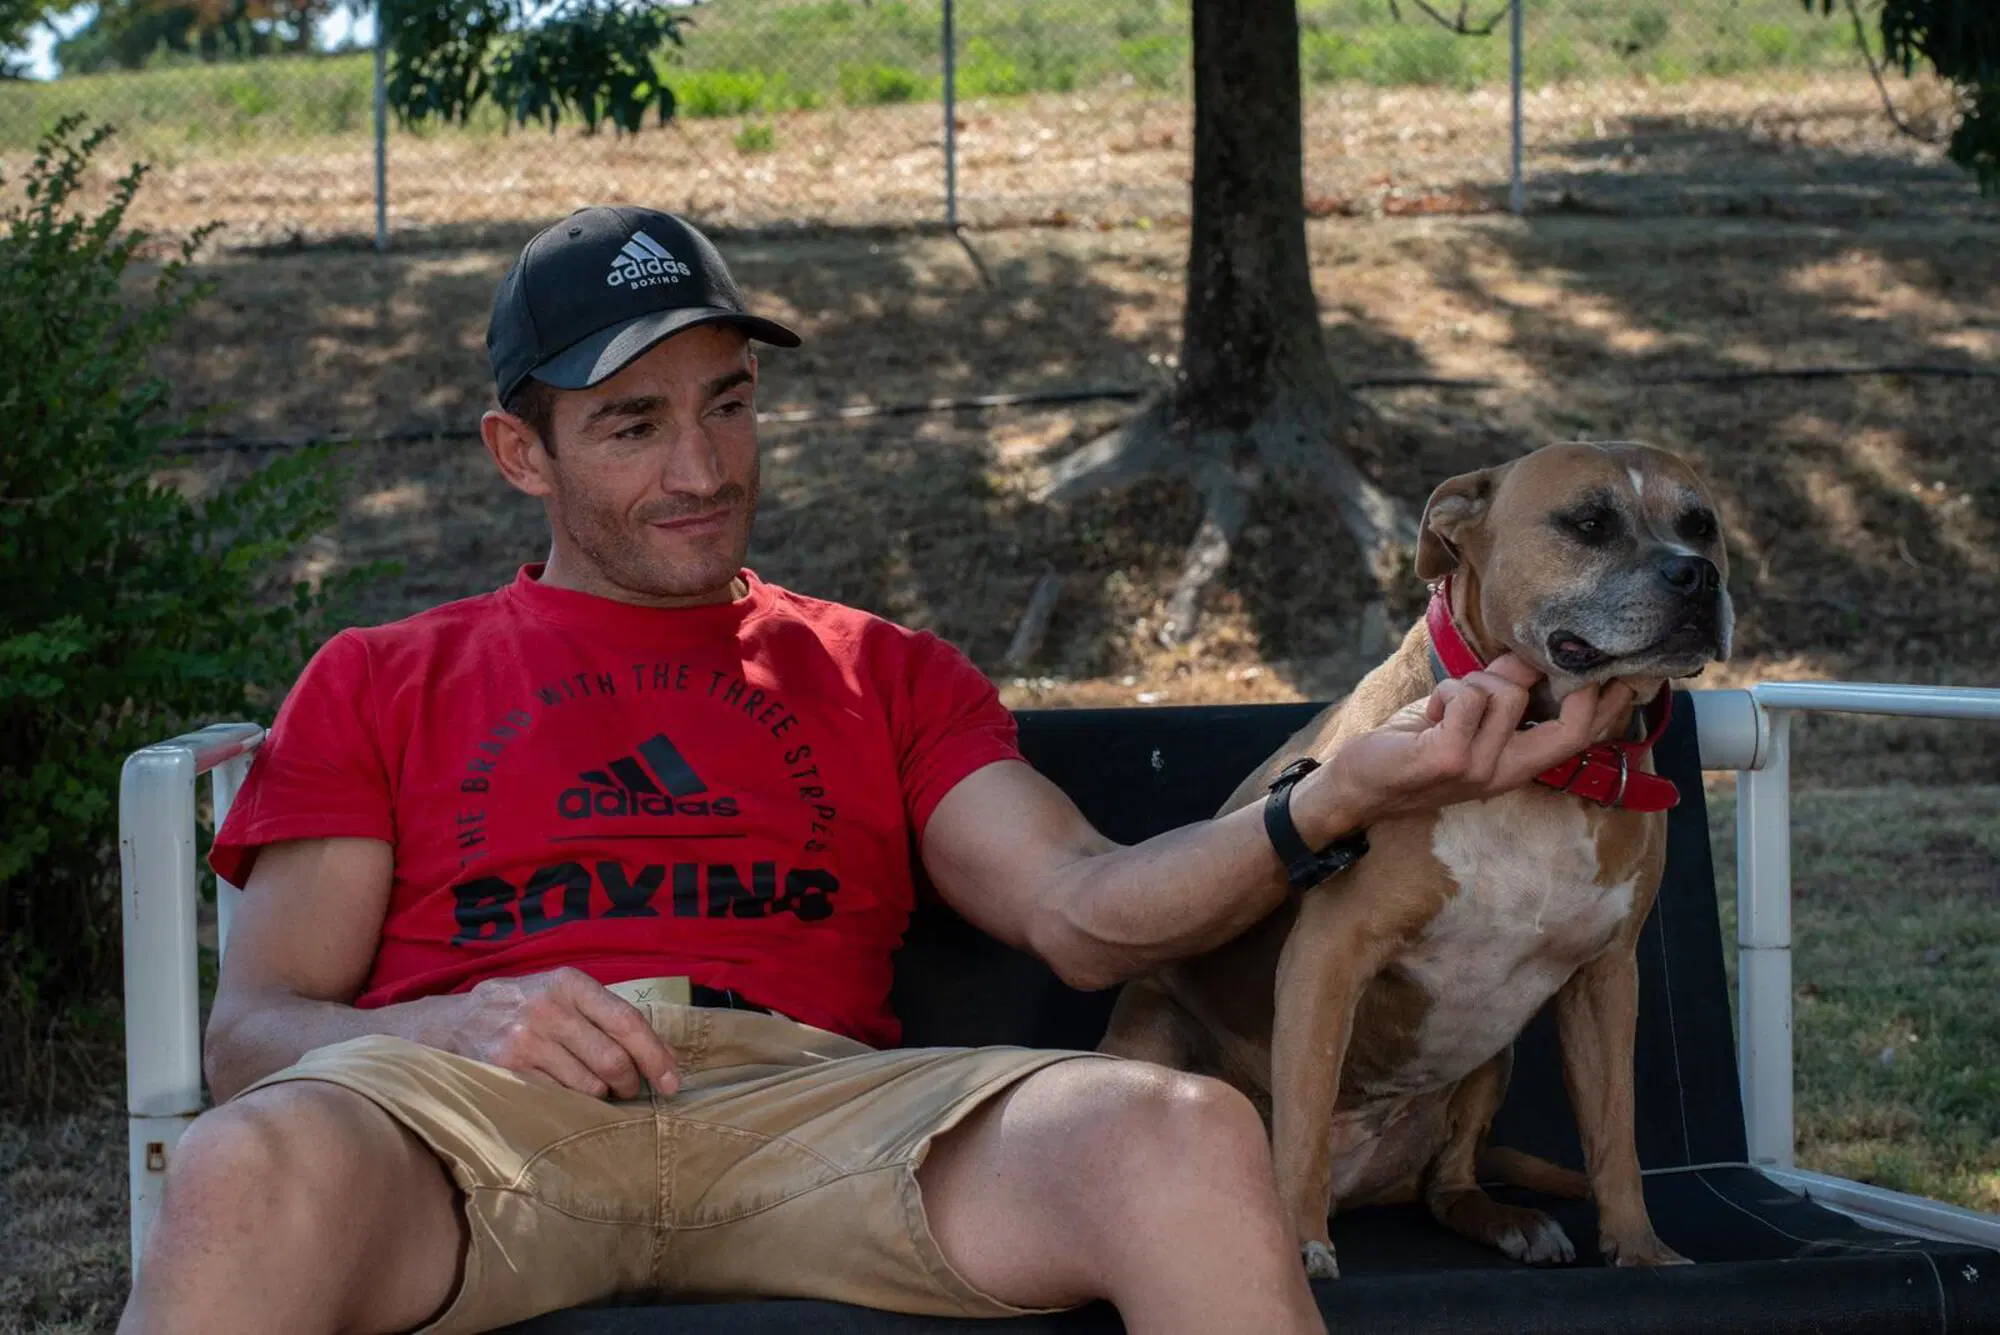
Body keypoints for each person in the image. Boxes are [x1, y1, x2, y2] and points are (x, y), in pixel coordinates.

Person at [119, 207, 1631, 1335]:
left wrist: (1342, 795)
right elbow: (255, 1030)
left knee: (1172, 1135)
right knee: (247, 1165)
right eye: (635, 425)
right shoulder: (383, 676)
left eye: (728, 403)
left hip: (817, 1114)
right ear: (522, 453)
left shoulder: (876, 669)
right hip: (474, 1125)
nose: (704, 469)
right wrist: (465, 1017)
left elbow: (1090, 908)